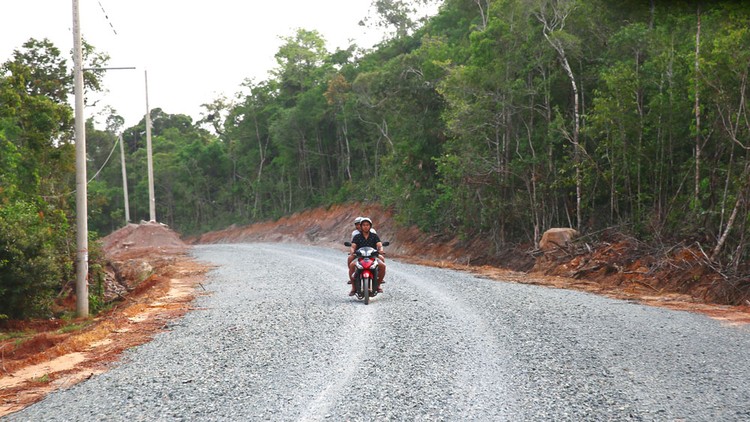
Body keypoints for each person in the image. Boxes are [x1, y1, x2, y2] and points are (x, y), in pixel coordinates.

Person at [348, 217, 386, 296]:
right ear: (361, 226)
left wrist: (381, 250)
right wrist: (352, 251)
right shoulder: (357, 236)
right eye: (364, 225)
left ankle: (378, 285)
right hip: (360, 257)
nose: (366, 226)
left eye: (367, 225)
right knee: (352, 264)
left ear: (370, 226)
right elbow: (353, 246)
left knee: (382, 265)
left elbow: (379, 245)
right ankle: (353, 287)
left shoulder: (374, 236)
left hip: (373, 256)